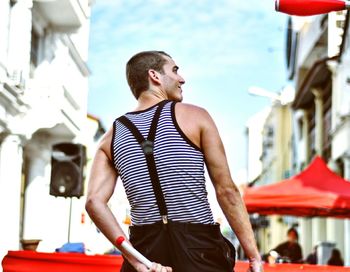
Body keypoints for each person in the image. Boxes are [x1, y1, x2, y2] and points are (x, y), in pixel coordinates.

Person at [85, 50, 263, 272]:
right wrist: (254, 257)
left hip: (146, 251)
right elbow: (227, 191)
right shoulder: (197, 117)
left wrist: (135, 258)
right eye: (175, 70)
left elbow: (93, 202)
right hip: (199, 250)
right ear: (155, 76)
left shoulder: (111, 136)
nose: (182, 79)